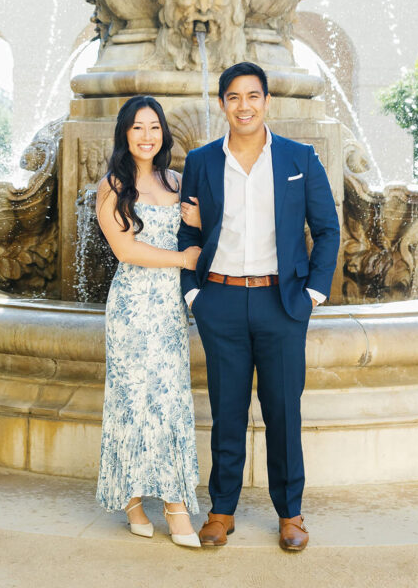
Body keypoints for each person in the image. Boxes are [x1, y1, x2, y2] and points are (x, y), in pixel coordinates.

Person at [177, 62, 341, 552]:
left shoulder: (300, 158)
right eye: (233, 97)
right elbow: (187, 232)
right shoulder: (201, 162)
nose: (243, 105)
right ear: (223, 104)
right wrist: (194, 293)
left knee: (283, 412)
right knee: (226, 411)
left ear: (266, 101)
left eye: (252, 96)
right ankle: (221, 512)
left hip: (282, 302)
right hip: (220, 301)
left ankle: (290, 515)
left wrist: (312, 293)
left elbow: (327, 230)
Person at [95, 95, 202, 548]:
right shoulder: (113, 186)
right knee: (132, 401)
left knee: (170, 401)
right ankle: (135, 501)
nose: (146, 136)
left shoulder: (178, 180)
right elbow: (126, 251)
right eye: (137, 127)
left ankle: (174, 500)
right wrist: (182, 257)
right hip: (132, 308)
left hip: (171, 309)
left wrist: (197, 219)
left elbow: (201, 231)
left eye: (153, 127)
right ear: (125, 134)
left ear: (163, 133)